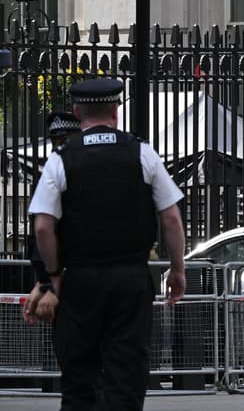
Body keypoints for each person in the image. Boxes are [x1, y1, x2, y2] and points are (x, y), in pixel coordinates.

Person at [28, 78, 186, 411]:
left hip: (79, 279)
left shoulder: (62, 159)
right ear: (116, 110)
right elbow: (171, 218)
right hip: (130, 277)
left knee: (79, 377)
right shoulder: (141, 152)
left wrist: (52, 276)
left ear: (76, 111)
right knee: (126, 375)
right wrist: (177, 269)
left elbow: (43, 226)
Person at [22, 111, 81, 324]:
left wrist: (50, 283)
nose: (59, 148)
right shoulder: (53, 171)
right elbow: (43, 231)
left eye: (64, 141)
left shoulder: (73, 173)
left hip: (79, 277)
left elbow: (48, 229)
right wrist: (43, 281)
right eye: (55, 142)